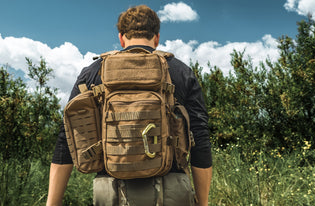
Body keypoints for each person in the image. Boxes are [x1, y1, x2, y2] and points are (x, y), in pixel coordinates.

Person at [47, 5, 212, 206]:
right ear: (157, 37)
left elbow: (66, 140)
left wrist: (52, 203)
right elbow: (201, 139)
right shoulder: (181, 72)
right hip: (172, 192)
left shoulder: (93, 72)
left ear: (122, 38)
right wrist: (202, 202)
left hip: (111, 193)